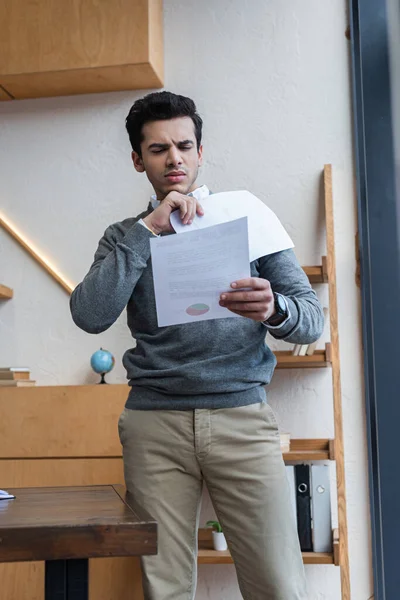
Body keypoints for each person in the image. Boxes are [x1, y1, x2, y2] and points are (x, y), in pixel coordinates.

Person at [70, 91, 323, 600]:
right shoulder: (123, 236)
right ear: (138, 160)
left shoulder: (247, 215)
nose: (175, 158)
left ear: (201, 152)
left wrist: (273, 309)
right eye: (159, 149)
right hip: (154, 424)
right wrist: (147, 231)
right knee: (165, 589)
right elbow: (89, 315)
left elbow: (310, 320)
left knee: (279, 585)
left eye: (184, 146)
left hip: (241, 418)